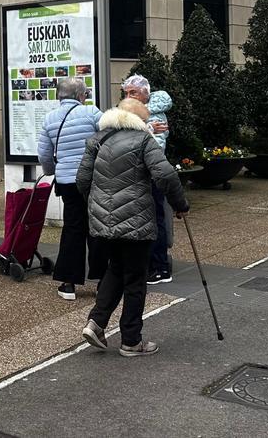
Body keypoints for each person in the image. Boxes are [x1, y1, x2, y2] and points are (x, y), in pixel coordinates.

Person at [78, 98, 190, 357]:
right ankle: (131, 340)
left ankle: (96, 322)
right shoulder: (143, 140)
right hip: (136, 220)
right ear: (140, 120)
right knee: (136, 279)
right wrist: (180, 204)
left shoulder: (98, 139)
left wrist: (97, 205)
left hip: (103, 220)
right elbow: (165, 175)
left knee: (115, 268)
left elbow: (82, 179)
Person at [37, 77, 103, 301]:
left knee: (73, 227)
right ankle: (103, 280)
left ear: (58, 95)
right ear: (81, 95)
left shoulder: (49, 119)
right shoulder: (92, 113)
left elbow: (45, 155)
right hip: (93, 179)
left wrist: (54, 169)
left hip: (67, 181)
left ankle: (68, 283)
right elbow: (109, 138)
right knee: (97, 226)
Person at [121, 76, 174, 283]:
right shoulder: (137, 115)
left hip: (151, 178)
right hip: (137, 178)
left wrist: (144, 128)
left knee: (155, 220)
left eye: (133, 92)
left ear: (145, 93)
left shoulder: (154, 115)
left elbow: (154, 151)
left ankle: (160, 267)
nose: (129, 97)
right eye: (126, 93)